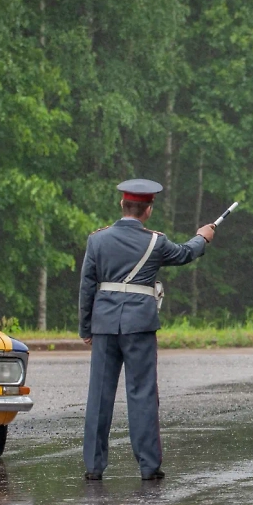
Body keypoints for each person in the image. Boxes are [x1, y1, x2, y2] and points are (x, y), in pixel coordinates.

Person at [79, 179, 218, 480]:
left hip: (104, 325)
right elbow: (184, 254)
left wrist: (86, 328)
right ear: (148, 210)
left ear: (122, 205)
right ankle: (148, 466)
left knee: (99, 396)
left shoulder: (97, 240)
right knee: (141, 394)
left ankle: (93, 467)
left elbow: (87, 287)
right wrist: (202, 238)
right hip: (139, 326)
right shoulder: (155, 242)